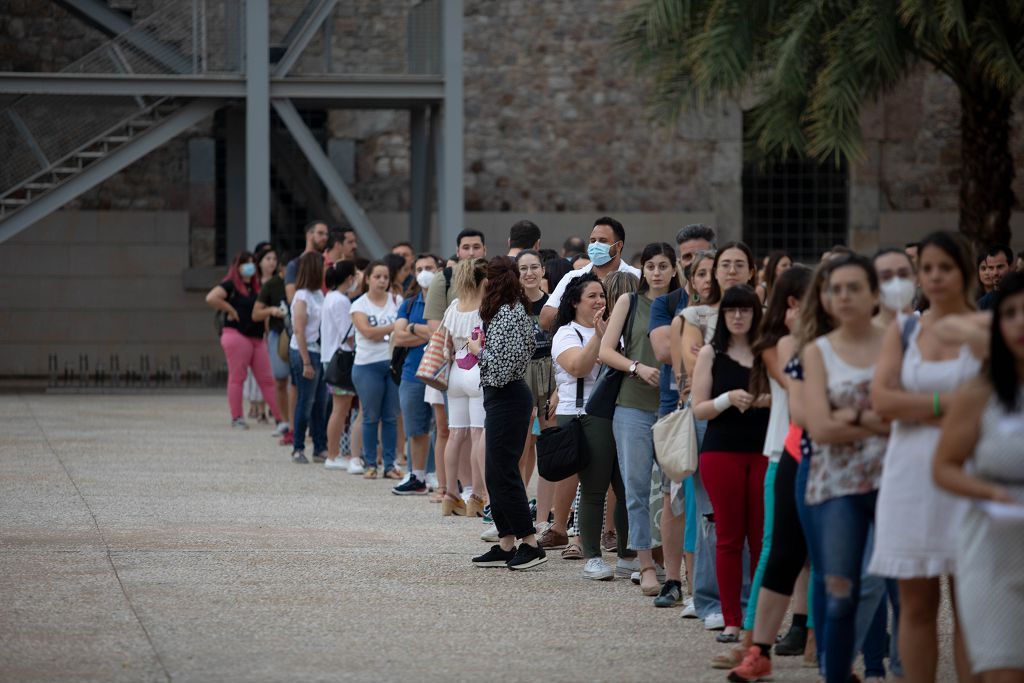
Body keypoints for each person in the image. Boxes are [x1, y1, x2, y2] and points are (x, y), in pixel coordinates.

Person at [869, 232, 981, 683]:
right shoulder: (906, 329)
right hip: (910, 472)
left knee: (971, 605)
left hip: (971, 468)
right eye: (927, 268)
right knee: (915, 605)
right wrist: (945, 404)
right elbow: (882, 399)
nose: (934, 277)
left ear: (964, 273)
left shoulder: (988, 328)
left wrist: (920, 404)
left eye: (945, 267)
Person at [802, 253, 890, 683]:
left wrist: (846, 416)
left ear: (875, 294)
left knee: (889, 588)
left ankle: (882, 668)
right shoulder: (818, 351)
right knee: (839, 594)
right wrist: (871, 418)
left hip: (895, 483)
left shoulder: (898, 341)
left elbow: (912, 415)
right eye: (836, 289)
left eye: (855, 287)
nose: (845, 296)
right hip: (836, 486)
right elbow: (818, 426)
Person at [934, 272, 1024, 683]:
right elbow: (944, 466)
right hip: (992, 553)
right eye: (1009, 313)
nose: (1020, 322)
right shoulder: (980, 391)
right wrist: (991, 491)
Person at [728, 266, 815, 681]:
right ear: (796, 301)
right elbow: (800, 386)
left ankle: (807, 631)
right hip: (783, 451)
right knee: (775, 549)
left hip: (823, 452)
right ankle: (752, 641)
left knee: (814, 556)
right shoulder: (776, 342)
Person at [681, 242, 757, 631]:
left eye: (738, 264)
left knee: (754, 528)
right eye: (723, 264)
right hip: (711, 422)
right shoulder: (698, 313)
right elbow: (692, 363)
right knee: (711, 518)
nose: (729, 271)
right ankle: (711, 599)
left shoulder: (762, 323)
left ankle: (752, 606)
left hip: (759, 435)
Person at [599, 242, 680, 596]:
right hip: (631, 405)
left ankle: (673, 566)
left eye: (664, 265)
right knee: (634, 487)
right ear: (642, 270)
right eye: (651, 266)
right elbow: (605, 351)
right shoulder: (629, 302)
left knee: (671, 489)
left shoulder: (683, 306)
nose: (657, 272)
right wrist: (636, 367)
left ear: (674, 270)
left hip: (674, 406)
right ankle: (645, 563)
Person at [692, 285, 771, 643]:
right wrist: (727, 399)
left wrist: (763, 400)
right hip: (721, 452)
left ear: (756, 313)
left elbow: (789, 395)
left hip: (763, 452)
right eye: (731, 310)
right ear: (723, 315)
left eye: (745, 310)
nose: (738, 316)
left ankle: (757, 619)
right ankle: (731, 620)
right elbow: (699, 407)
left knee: (760, 539)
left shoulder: (768, 353)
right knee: (728, 538)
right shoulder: (711, 353)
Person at [550, 273, 632, 580]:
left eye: (603, 296)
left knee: (625, 488)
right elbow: (578, 367)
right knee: (595, 487)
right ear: (574, 303)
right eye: (592, 297)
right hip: (582, 414)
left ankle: (627, 554)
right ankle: (593, 556)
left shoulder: (618, 330)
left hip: (618, 413)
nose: (600, 301)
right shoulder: (566, 333)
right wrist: (599, 335)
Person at [470, 256, 543, 570]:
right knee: (496, 471)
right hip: (504, 398)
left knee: (504, 471)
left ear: (495, 280)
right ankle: (506, 542)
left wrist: (477, 351)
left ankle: (530, 543)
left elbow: (500, 366)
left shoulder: (509, 312)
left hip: (508, 397)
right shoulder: (511, 310)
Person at [206, 251, 286, 431]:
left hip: (257, 338)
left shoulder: (258, 287)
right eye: (245, 263)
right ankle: (237, 417)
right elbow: (211, 297)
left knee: (266, 379)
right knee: (237, 377)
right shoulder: (231, 285)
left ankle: (281, 419)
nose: (249, 266)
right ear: (237, 266)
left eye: (252, 263)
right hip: (236, 334)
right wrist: (230, 310)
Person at [439, 258, 488, 516]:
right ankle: (477, 497)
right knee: (478, 434)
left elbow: (444, 342)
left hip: (455, 372)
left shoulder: (454, 306)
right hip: (477, 370)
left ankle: (450, 494)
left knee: (456, 435)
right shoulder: (485, 307)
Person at [391, 254, 441, 495]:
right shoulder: (409, 303)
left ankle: (442, 478)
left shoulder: (447, 301)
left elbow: (443, 332)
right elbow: (397, 336)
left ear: (438, 270)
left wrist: (412, 328)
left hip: (441, 373)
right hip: (412, 374)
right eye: (419, 268)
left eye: (429, 267)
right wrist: (427, 332)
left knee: (444, 428)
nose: (424, 272)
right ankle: (417, 476)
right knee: (415, 429)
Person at [350, 260, 403, 480]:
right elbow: (367, 332)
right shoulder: (359, 305)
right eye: (377, 276)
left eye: (385, 277)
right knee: (370, 416)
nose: (382, 281)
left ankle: (389, 464)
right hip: (367, 365)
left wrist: (389, 330)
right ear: (368, 279)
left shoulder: (397, 300)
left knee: (390, 416)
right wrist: (395, 327)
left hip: (391, 363)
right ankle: (370, 463)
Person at [540, 217, 641, 330]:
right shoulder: (574, 277)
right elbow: (545, 319)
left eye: (603, 241)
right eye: (593, 241)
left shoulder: (637, 276)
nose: (596, 245)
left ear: (618, 245)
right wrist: (584, 312)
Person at [515, 249, 553, 492]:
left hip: (550, 371)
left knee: (550, 441)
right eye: (523, 269)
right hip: (521, 372)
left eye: (534, 267)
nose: (529, 273)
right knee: (521, 442)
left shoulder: (553, 304)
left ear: (543, 270)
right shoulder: (511, 305)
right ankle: (517, 499)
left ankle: (545, 509)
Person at [288, 252, 329, 464]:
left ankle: (320, 446)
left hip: (319, 352)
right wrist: (305, 361)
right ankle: (298, 446)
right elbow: (299, 329)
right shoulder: (302, 296)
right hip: (306, 351)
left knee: (320, 401)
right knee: (306, 400)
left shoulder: (318, 294)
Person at [319, 261, 357, 470]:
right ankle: (333, 454)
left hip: (331, 357)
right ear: (349, 279)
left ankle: (334, 453)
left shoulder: (330, 298)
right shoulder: (341, 301)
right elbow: (348, 334)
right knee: (340, 408)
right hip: (341, 359)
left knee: (339, 408)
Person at [251, 245, 292, 437]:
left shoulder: (304, 283)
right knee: (280, 379)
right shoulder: (272, 285)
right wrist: (271, 311)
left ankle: (295, 421)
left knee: (299, 382)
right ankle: (283, 420)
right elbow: (256, 313)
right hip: (279, 334)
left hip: (300, 335)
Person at [424, 229, 487, 332]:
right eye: (466, 248)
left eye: (476, 247)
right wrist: (464, 346)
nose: (471, 253)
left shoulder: (496, 276)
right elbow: (434, 326)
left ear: (484, 250)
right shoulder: (443, 278)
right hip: (453, 345)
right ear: (457, 252)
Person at [285, 220, 329, 304]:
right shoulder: (295, 265)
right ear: (309, 235)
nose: (325, 238)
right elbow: (291, 298)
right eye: (320, 233)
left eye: (326, 234)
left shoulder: (328, 263)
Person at [978, 244, 1014, 310]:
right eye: (991, 268)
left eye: (1000, 267)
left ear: (1011, 267)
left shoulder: (1020, 297)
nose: (995, 273)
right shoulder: (982, 304)